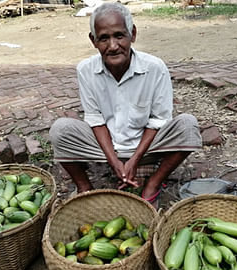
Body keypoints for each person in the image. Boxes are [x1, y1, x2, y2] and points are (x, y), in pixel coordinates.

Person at [48, 2, 201, 205]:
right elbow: (95, 119)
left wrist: (134, 160)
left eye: (119, 35)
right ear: (93, 41)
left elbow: (158, 120)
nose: (112, 46)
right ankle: (84, 186)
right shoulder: (85, 70)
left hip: (148, 148)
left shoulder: (155, 68)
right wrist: (114, 162)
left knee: (187, 126)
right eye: (104, 38)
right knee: (61, 129)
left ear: (133, 34)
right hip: (104, 149)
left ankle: (153, 182)